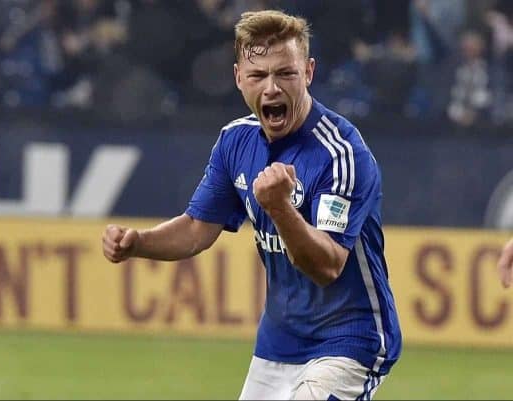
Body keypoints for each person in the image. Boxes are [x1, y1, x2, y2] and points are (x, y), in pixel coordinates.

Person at [102, 9, 401, 400]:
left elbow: (327, 266)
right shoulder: (235, 143)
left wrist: (280, 209)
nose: (272, 88)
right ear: (239, 78)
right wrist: (138, 243)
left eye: (285, 74)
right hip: (279, 341)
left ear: (308, 73)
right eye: (258, 75)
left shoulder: (341, 154)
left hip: (350, 337)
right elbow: (196, 228)